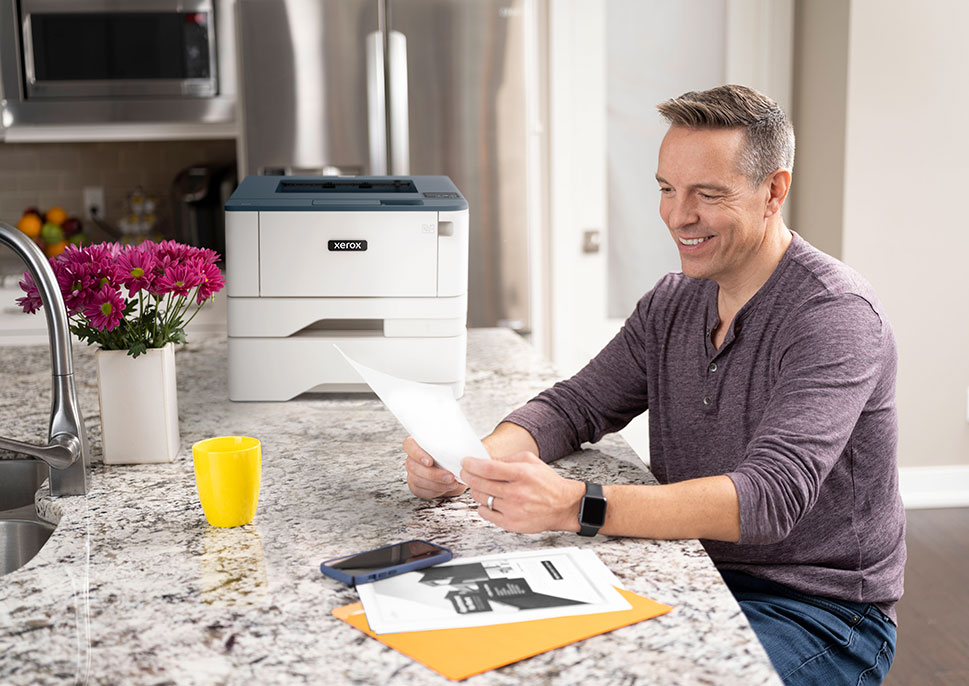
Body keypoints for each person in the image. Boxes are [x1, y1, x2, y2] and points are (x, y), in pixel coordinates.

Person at [403, 84, 904, 685]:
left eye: (707, 194)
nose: (677, 215)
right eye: (667, 189)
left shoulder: (833, 315)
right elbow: (577, 405)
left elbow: (771, 497)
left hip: (814, 611)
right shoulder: (673, 302)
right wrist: (470, 457)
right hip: (683, 566)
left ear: (774, 190)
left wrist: (573, 504)